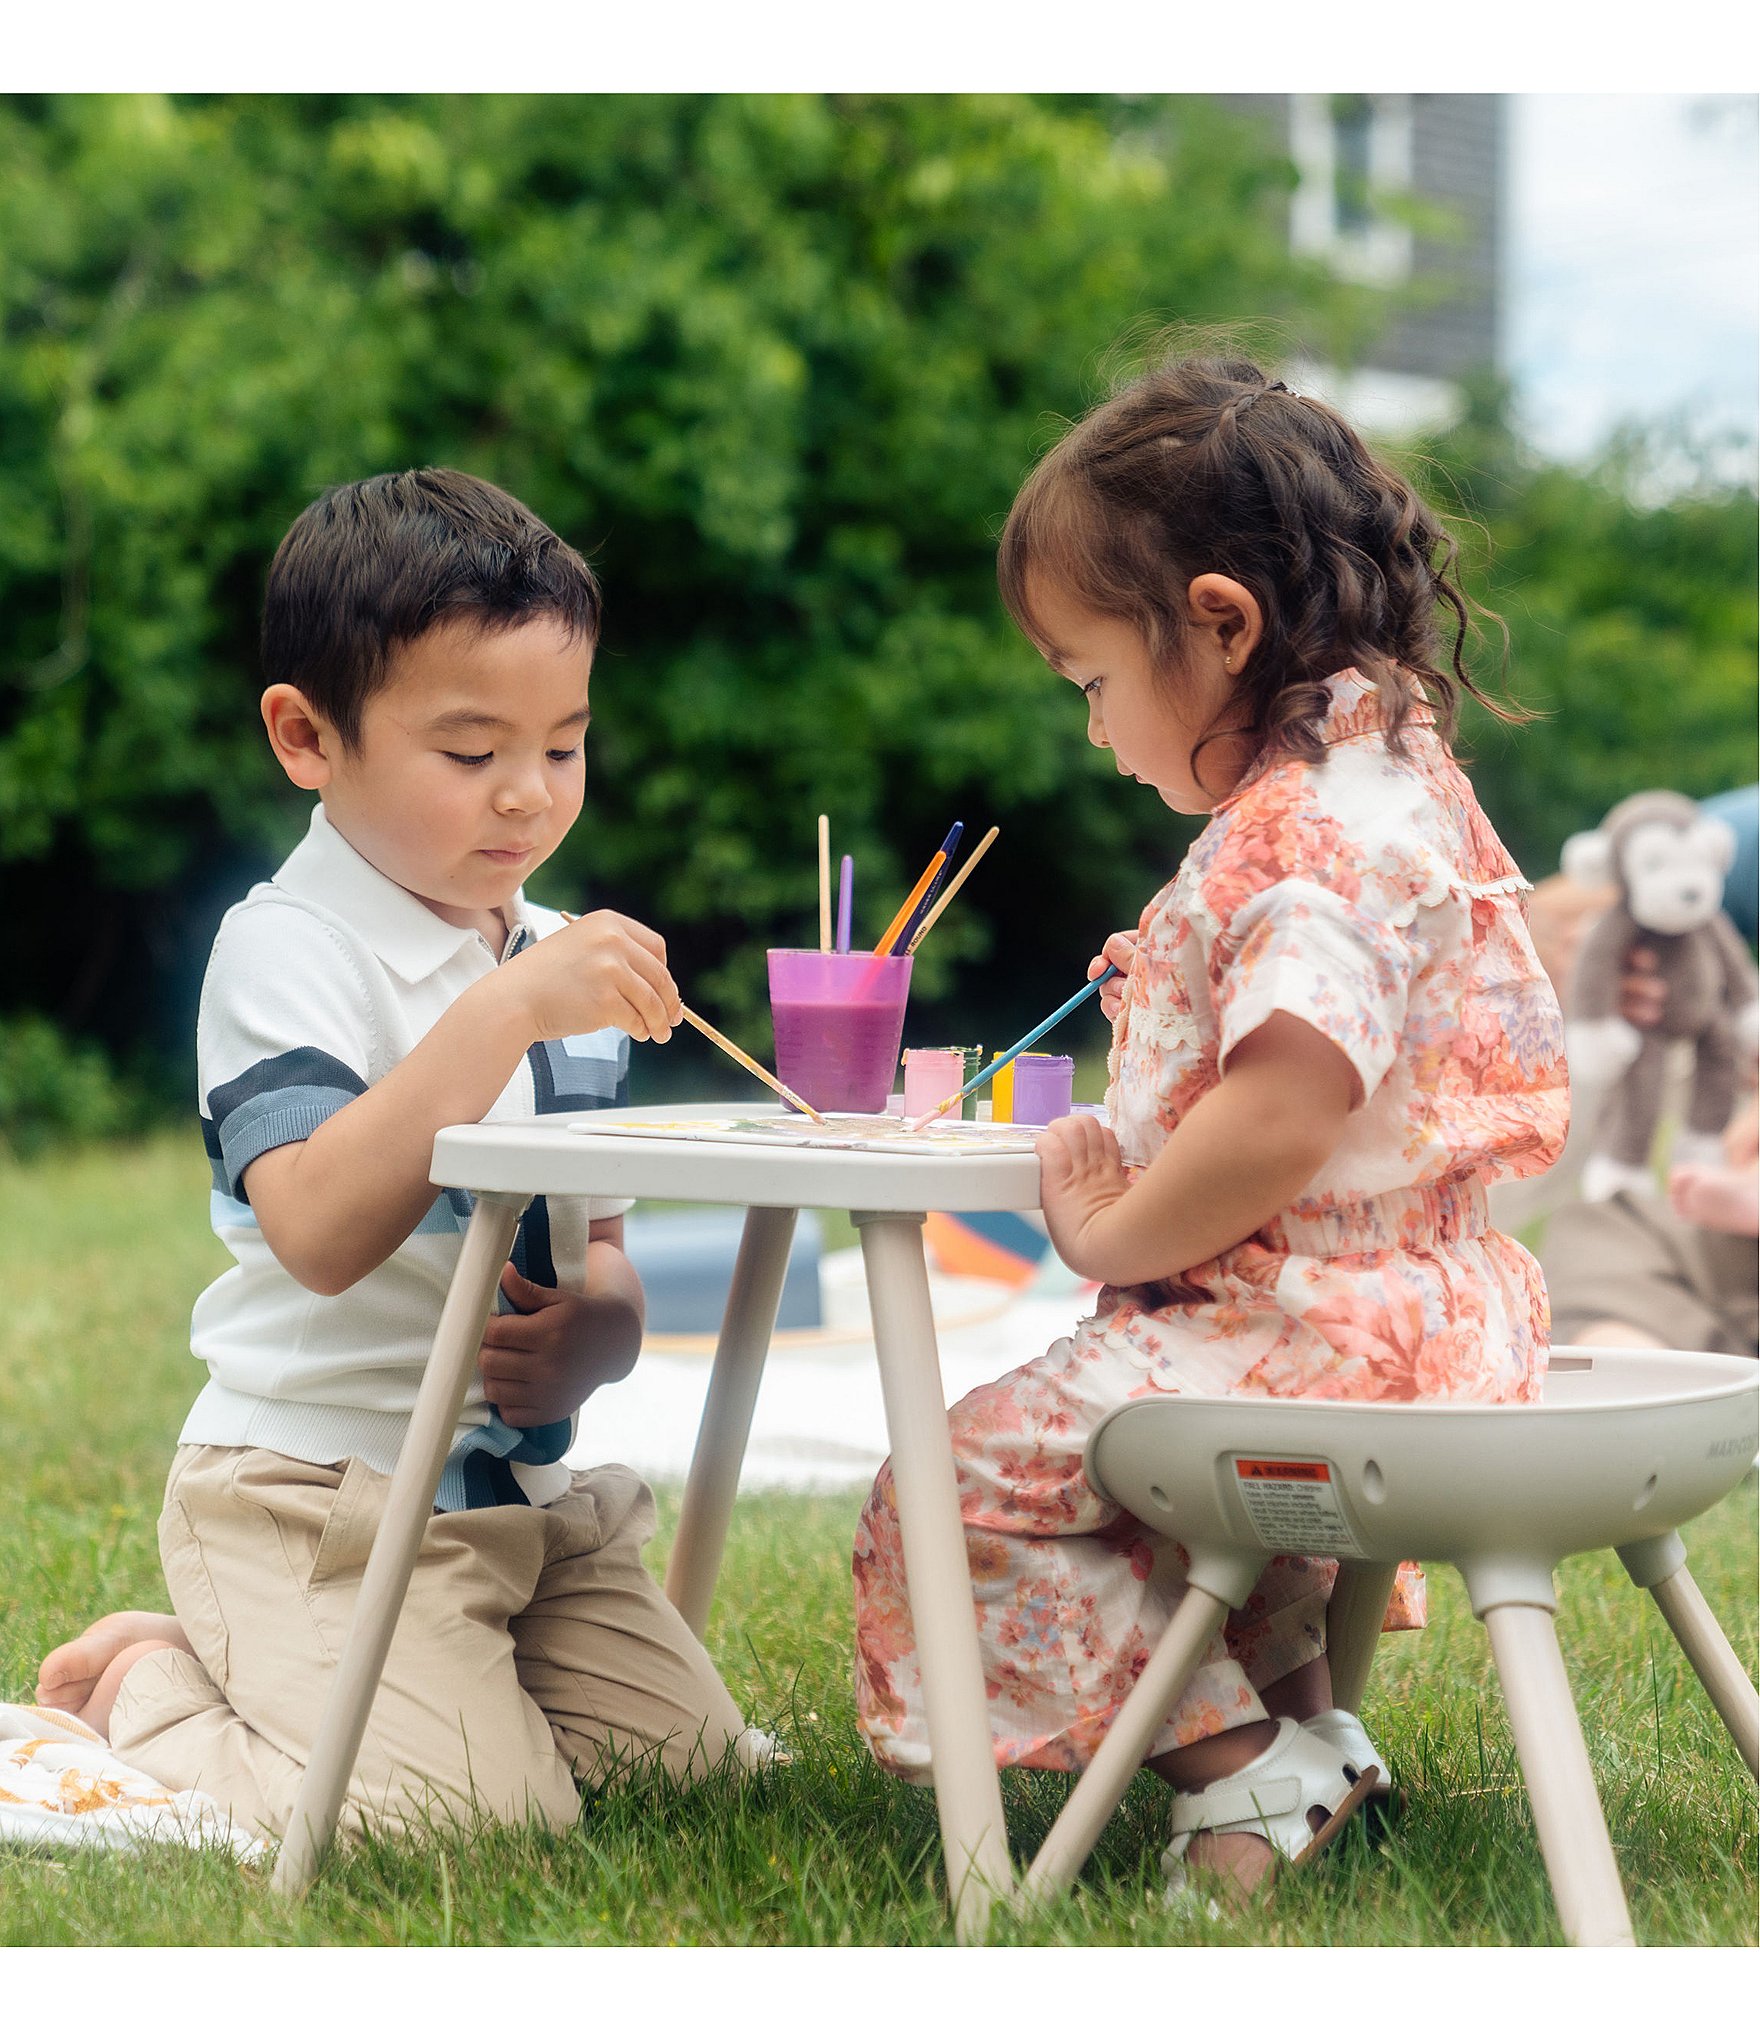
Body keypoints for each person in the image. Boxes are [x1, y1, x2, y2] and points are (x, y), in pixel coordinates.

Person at [851, 352, 1568, 1901]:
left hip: (1313, 1332)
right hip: (1423, 1319)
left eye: (1094, 680)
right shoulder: (1397, 784)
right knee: (1176, 1479)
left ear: (1221, 623)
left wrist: (1115, 1229)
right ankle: (1319, 1749)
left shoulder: (1307, 834)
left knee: (953, 1481)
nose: (1093, 728)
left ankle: (1240, 1780)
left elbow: (1284, 1113)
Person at [36, 469, 752, 1841]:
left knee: (695, 1785)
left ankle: (357, 1687)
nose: (529, 800)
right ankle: (153, 1684)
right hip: (321, 1501)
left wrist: (599, 1331)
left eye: (564, 746)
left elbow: (599, 1246)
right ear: (307, 738)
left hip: (523, 1509)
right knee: (467, 1827)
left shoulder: (548, 962)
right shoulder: (289, 948)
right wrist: (500, 1015)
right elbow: (313, 1229)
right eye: (472, 756)